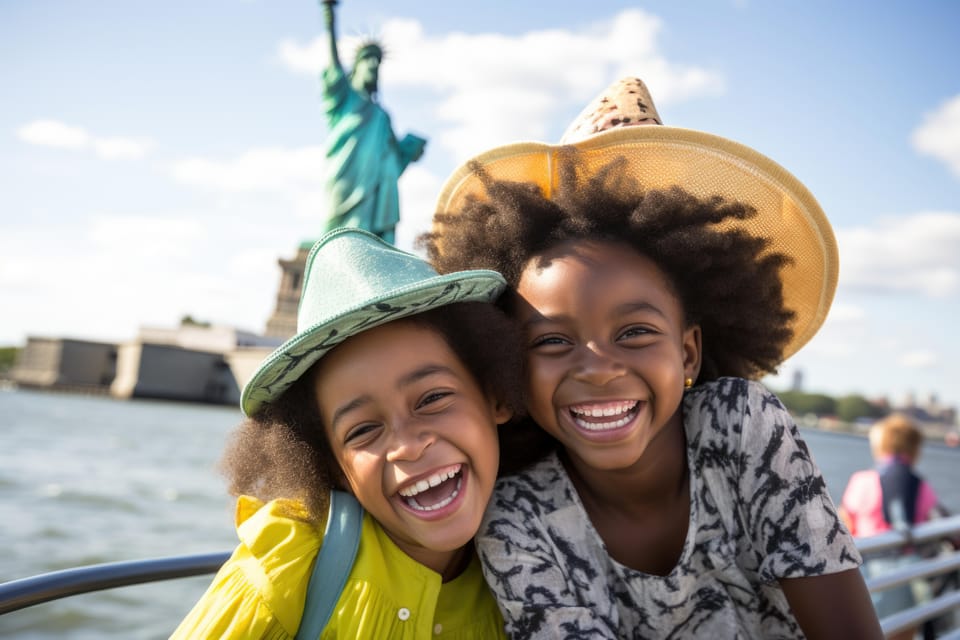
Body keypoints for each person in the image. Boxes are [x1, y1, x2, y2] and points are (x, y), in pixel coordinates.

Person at [420, 77, 883, 638]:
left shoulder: (740, 424)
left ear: (688, 352)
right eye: (550, 341)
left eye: (635, 331)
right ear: (511, 364)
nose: (597, 367)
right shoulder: (516, 512)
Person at [171, 227, 522, 638]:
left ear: (495, 394)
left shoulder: (537, 564)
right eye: (363, 431)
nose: (407, 446)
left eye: (432, 399)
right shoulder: (289, 567)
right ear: (332, 465)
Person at [317, 0, 427, 244]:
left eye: (378, 61)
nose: (374, 65)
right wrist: (330, 21)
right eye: (368, 59)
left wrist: (409, 150)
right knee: (336, 238)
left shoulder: (382, 116)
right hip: (346, 177)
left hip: (377, 192)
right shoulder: (345, 97)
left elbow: (392, 160)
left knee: (371, 244)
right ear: (356, 65)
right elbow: (333, 66)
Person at [840, 413, 942, 639]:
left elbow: (845, 524)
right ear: (915, 448)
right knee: (902, 631)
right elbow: (930, 518)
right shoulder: (921, 485)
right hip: (908, 571)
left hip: (868, 570)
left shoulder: (862, 480)